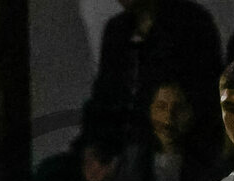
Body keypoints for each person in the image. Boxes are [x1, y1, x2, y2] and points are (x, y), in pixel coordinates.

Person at [88, 0, 222, 154]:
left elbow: (205, 95)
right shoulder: (117, 29)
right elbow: (104, 93)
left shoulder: (192, 23)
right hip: (121, 144)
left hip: (179, 144)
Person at [112, 80, 220, 181]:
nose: (169, 118)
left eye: (178, 108)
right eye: (161, 107)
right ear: (150, 110)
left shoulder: (206, 165)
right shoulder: (133, 161)